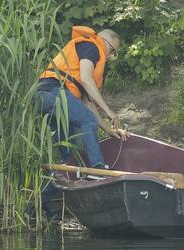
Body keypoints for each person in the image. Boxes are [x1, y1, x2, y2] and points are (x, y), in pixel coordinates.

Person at [36, 26, 129, 168]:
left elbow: (88, 105)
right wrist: (109, 111)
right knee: (87, 120)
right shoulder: (91, 46)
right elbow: (86, 79)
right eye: (112, 51)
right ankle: (97, 168)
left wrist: (109, 130)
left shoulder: (91, 54)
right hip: (53, 91)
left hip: (49, 97)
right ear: (104, 40)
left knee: (72, 154)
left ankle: (58, 187)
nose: (111, 56)